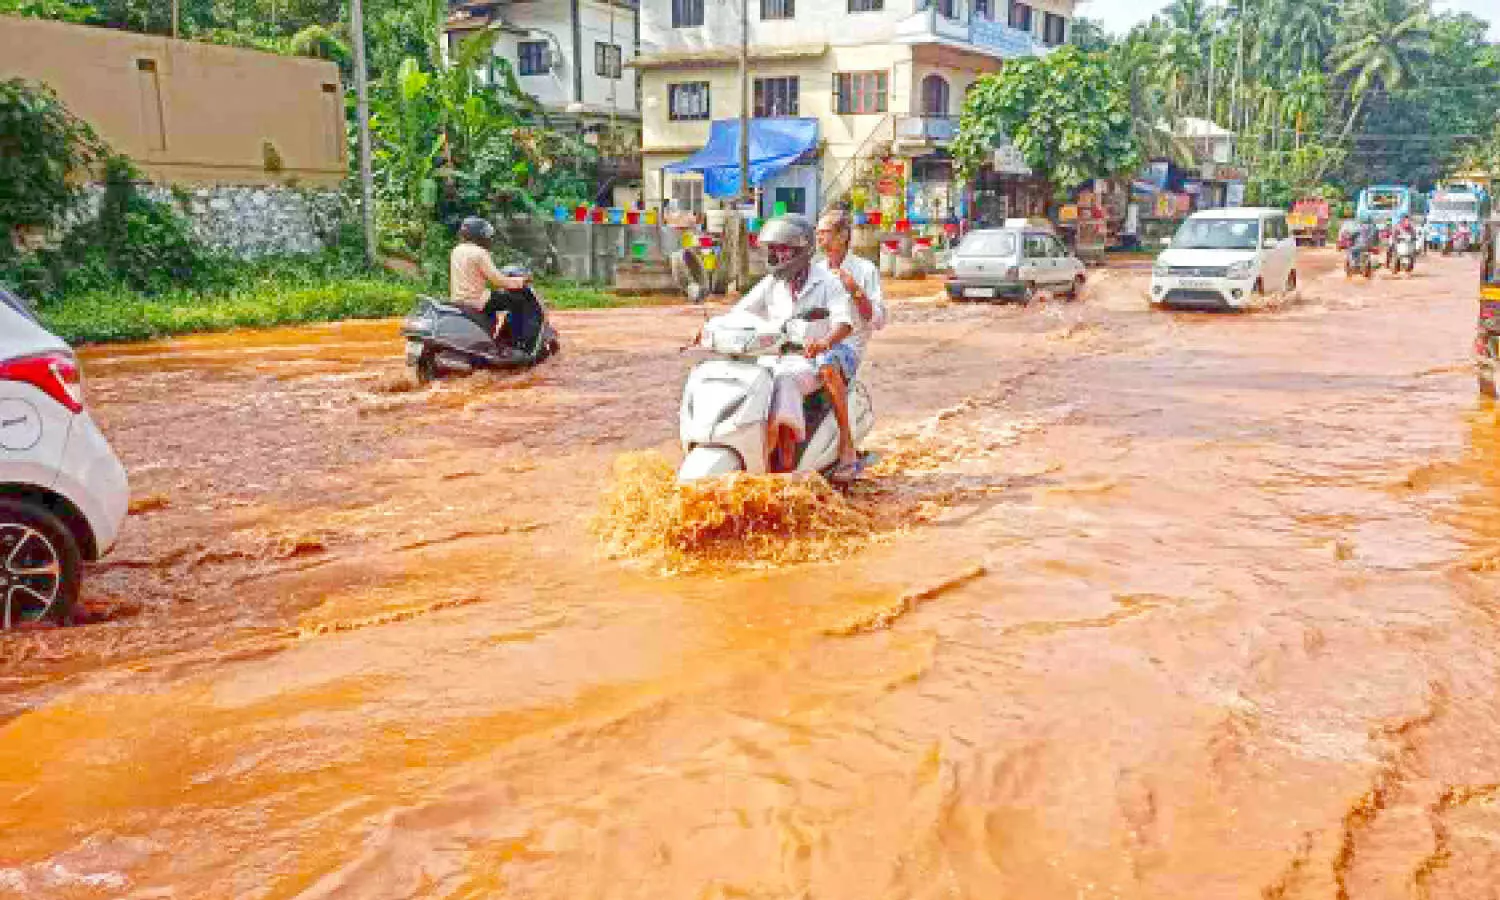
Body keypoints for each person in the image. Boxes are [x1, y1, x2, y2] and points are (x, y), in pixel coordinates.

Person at [724, 215, 856, 475]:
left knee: (788, 381)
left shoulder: (828, 282)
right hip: (777, 356)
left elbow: (845, 323)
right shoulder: (773, 283)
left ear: (800, 251)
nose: (776, 257)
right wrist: (709, 329)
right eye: (772, 250)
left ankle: (841, 443)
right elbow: (739, 313)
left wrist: (824, 341)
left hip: (815, 356)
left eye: (782, 250)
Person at [814, 208, 888, 481]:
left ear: (843, 236)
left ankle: (846, 445)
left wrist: (855, 290)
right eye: (818, 232)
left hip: (846, 346)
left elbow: (878, 320)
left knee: (828, 363)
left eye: (825, 232)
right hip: (812, 341)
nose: (819, 238)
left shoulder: (865, 270)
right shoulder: (815, 271)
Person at [450, 216, 529, 343]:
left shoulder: (456, 250)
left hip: (458, 298)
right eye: (487, 236)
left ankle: (497, 336)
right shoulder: (480, 253)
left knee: (496, 299)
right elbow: (497, 280)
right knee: (518, 301)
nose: (489, 240)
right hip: (476, 299)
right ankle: (514, 340)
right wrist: (520, 282)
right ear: (479, 236)